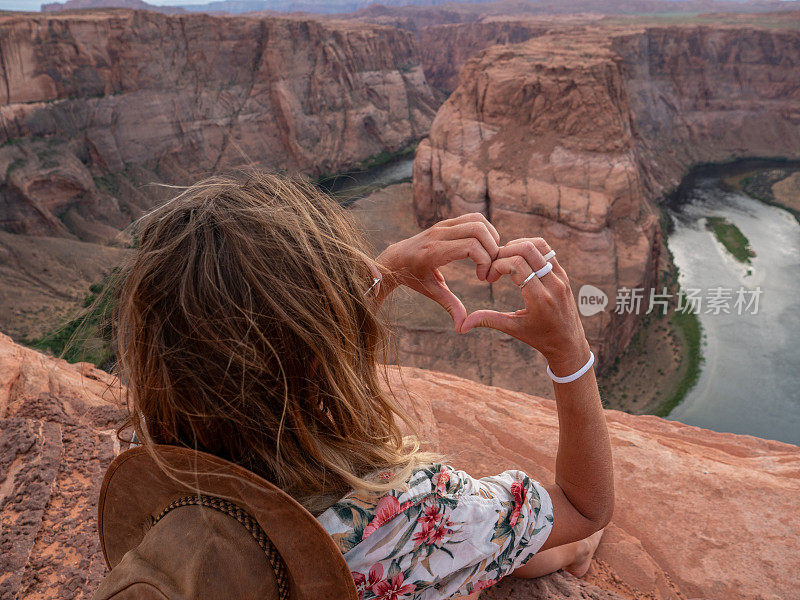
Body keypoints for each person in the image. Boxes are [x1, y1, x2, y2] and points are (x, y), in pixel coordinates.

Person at [113, 171, 613, 599]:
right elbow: (582, 504)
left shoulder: (158, 442)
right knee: (536, 546)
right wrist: (569, 351)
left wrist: (387, 271)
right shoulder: (406, 518)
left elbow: (282, 364)